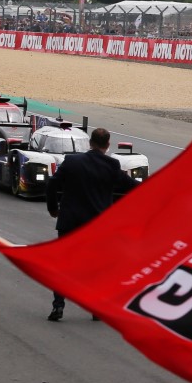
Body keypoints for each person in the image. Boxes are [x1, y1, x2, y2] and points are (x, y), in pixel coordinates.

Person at [45, 127, 139, 321]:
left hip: (70, 221)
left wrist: (53, 208)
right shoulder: (112, 165)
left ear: (90, 143)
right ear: (108, 145)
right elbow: (130, 186)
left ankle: (58, 306)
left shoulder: (72, 161)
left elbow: (52, 184)